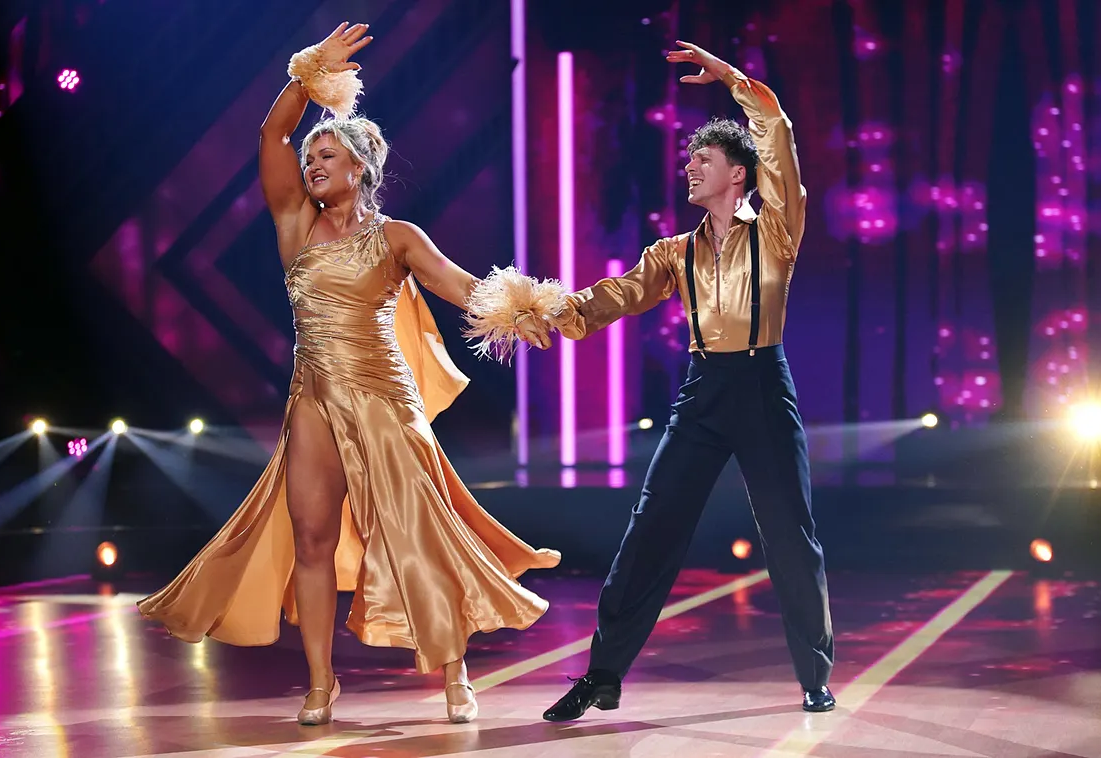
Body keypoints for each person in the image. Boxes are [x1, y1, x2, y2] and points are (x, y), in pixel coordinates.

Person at [137, 21, 564, 726]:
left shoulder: (398, 237)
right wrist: (307, 76)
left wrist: (524, 307)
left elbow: (464, 288)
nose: (312, 165)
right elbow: (272, 136)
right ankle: (319, 682)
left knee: (415, 533)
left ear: (360, 168)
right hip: (313, 399)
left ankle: (454, 672)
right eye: (311, 158)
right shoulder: (294, 224)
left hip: (386, 398)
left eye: (326, 156)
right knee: (312, 538)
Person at [536, 41, 836, 721]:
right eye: (688, 159)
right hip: (704, 392)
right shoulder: (675, 252)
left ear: (739, 174)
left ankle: (814, 676)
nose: (689, 167)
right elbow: (618, 294)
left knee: (790, 535)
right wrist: (552, 311)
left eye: (704, 159)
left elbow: (778, 133)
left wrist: (732, 80)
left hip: (763, 387)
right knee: (651, 530)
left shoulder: (777, 228)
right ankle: (602, 675)